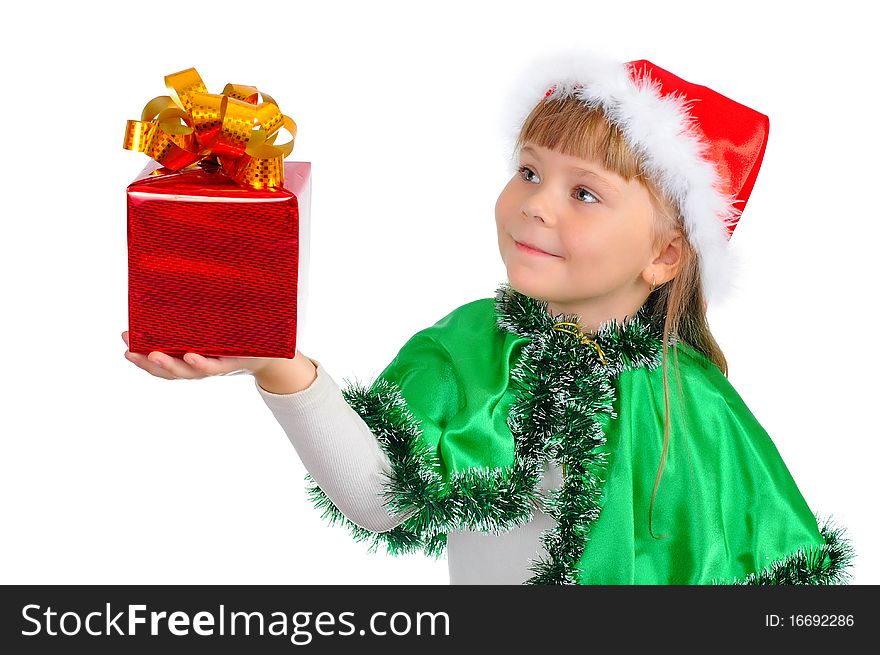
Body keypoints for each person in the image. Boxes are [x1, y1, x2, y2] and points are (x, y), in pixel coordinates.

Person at [122, 50, 855, 585]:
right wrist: (273, 362)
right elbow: (384, 499)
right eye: (530, 170)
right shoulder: (474, 347)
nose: (536, 203)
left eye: (585, 193)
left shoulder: (697, 408)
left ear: (665, 253)